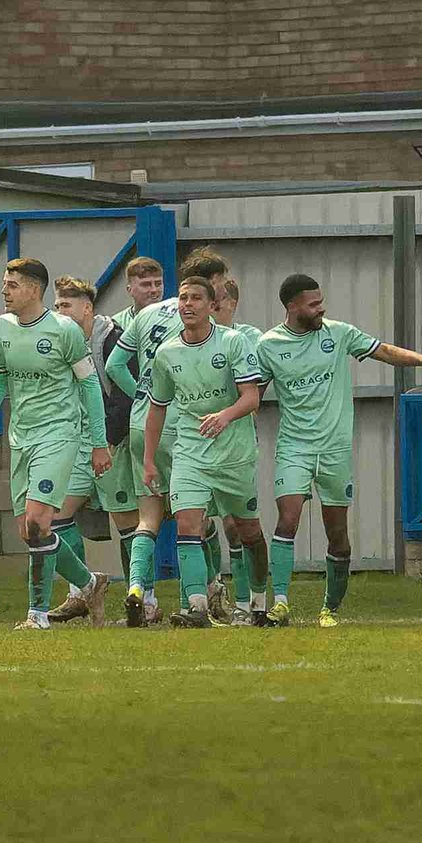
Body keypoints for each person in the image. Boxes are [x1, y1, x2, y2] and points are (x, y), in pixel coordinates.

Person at [255, 274, 422, 627]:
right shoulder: (268, 345)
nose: (321, 308)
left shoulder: (339, 333)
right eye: (313, 304)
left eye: (321, 301)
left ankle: (329, 609)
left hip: (335, 450)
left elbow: (383, 350)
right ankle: (280, 603)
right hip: (294, 447)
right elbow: (251, 393)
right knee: (288, 519)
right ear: (292, 306)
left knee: (338, 537)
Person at [0, 258, 112, 630]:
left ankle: (37, 614)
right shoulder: (2, 327)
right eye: (4, 283)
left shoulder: (64, 330)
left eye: (12, 285)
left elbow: (90, 386)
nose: (4, 291)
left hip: (59, 435)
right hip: (21, 438)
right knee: (30, 532)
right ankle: (89, 584)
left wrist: (98, 443)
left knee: (38, 521)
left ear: (34, 289)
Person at [105, 247, 233, 628]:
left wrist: (143, 395)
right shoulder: (201, 320)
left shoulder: (145, 314)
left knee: (148, 518)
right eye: (221, 283)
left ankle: (137, 591)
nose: (224, 291)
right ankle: (203, 593)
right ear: (210, 282)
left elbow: (113, 365)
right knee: (194, 518)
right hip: (183, 425)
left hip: (143, 424)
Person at [141, 277, 266, 628]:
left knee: (247, 530)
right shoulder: (166, 353)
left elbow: (252, 397)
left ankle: (257, 602)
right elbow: (157, 409)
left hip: (234, 452)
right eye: (183, 298)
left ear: (212, 306)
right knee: (187, 523)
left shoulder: (233, 342)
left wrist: (225, 416)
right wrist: (149, 460)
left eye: (196, 298)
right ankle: (197, 607)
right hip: (190, 451)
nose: (188, 304)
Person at [47, 275, 136, 624]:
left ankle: (143, 598)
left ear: (87, 308)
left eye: (66, 305)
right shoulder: (57, 342)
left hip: (112, 443)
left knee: (128, 522)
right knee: (56, 516)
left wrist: (108, 441)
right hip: (77, 443)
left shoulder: (111, 339)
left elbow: (124, 396)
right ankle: (80, 591)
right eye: (56, 305)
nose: (59, 312)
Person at [212, 276, 271, 625]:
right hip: (198, 442)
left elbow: (256, 391)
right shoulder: (188, 337)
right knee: (202, 523)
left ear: (232, 303)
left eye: (218, 300)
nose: (211, 305)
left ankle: (252, 601)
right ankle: (211, 597)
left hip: (237, 441)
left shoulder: (249, 339)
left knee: (240, 525)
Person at [110, 255, 164, 331]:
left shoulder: (177, 317)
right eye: (146, 285)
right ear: (129, 290)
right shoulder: (117, 324)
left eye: (158, 284)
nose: (154, 290)